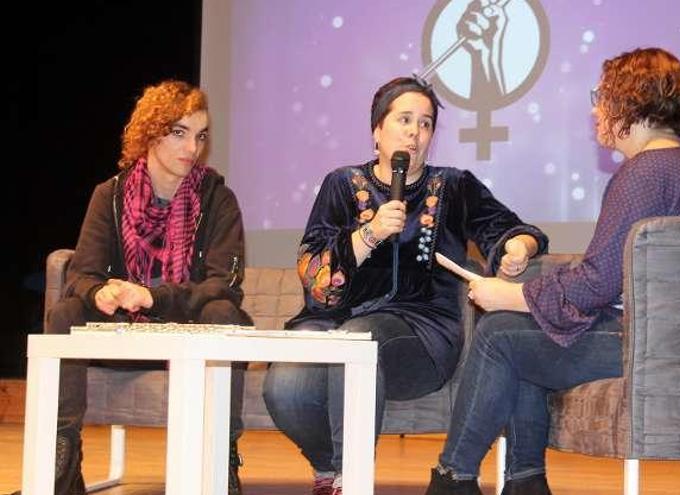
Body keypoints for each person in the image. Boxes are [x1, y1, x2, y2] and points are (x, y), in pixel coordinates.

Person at [424, 47, 680, 495]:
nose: (595, 108)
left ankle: (453, 478)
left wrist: (511, 295)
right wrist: (531, 303)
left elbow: (598, 281)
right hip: (672, 339)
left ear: (630, 100)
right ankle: (525, 481)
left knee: (497, 335)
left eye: (602, 96)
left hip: (644, 346)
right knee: (522, 333)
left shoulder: (645, 173)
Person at [261, 76, 548, 495]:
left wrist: (519, 247)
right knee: (284, 387)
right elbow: (313, 272)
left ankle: (350, 480)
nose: (416, 132)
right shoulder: (341, 184)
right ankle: (328, 469)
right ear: (377, 129)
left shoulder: (452, 185)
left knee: (359, 338)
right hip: (330, 322)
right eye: (405, 120)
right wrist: (369, 235)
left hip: (420, 335)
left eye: (426, 123)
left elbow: (512, 230)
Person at [10, 80, 251, 495]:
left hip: (188, 337)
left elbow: (223, 285)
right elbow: (83, 273)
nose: (192, 147)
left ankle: (220, 463)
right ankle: (61, 463)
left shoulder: (217, 199)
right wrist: (97, 292)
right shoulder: (111, 195)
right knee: (67, 310)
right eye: (179, 132)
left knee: (223, 314)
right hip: (124, 338)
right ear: (150, 132)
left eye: (200, 135)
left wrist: (152, 295)